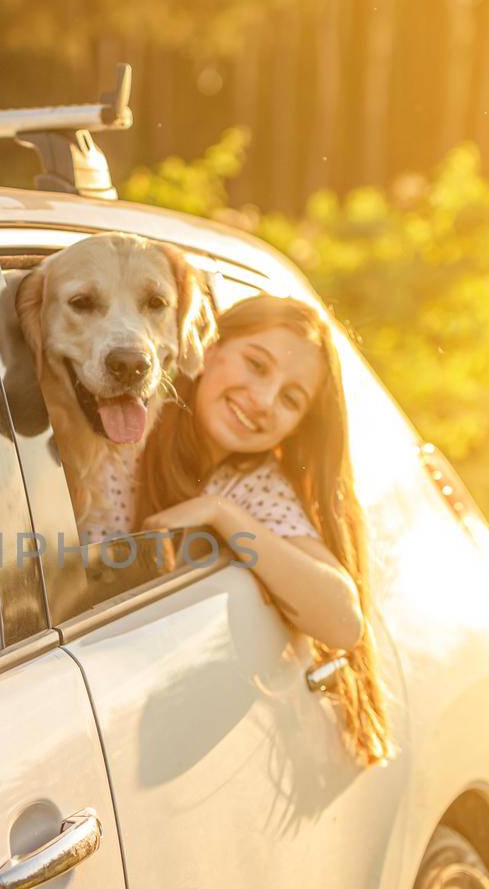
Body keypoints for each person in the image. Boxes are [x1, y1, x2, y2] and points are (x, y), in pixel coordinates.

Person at [135, 295, 391, 765]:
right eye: (256, 364)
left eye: (291, 399)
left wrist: (223, 515)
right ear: (209, 347)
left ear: (296, 427)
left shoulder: (250, 486)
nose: (265, 400)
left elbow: (341, 619)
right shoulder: (132, 418)